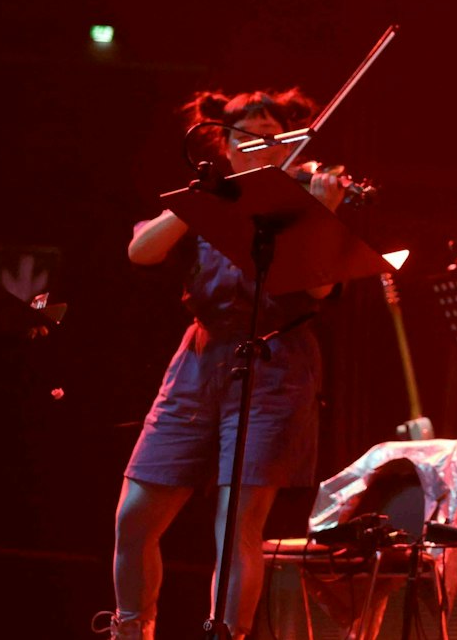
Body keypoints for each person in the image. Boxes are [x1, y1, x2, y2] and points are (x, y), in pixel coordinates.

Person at [102, 89, 347, 640]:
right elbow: (142, 252)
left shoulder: (300, 201)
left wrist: (323, 211)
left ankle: (224, 636)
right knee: (135, 515)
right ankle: (131, 628)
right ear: (226, 145)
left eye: (272, 136)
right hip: (200, 358)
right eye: (248, 137)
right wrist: (196, 201)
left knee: (235, 527)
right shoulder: (211, 195)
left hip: (277, 363)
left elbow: (322, 284)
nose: (261, 146)